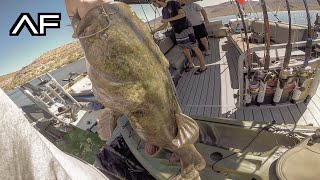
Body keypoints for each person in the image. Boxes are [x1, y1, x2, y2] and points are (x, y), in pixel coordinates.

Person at [151, 0, 207, 75]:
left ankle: (203, 66)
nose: (153, 5)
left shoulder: (173, 3)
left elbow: (182, 14)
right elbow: (165, 25)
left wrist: (167, 19)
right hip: (177, 31)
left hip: (186, 29)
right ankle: (191, 64)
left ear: (157, 0)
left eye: (153, 3)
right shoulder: (164, 11)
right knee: (184, 48)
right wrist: (155, 30)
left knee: (194, 47)